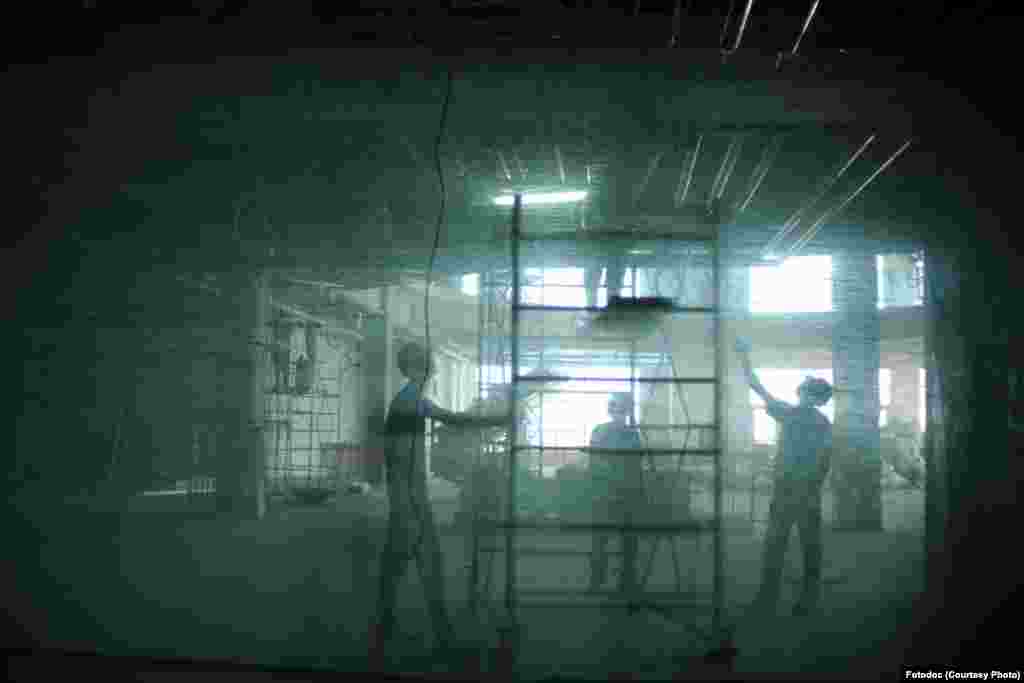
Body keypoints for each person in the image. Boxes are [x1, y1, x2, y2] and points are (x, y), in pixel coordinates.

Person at [369, 341, 509, 669]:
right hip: (410, 501)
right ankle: (437, 639)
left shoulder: (412, 400)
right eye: (428, 364)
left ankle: (389, 634)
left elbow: (453, 420)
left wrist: (493, 419)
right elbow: (399, 462)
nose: (433, 368)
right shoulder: (408, 402)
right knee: (425, 566)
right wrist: (405, 511)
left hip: (411, 499)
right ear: (418, 367)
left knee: (400, 569)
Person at [735, 337, 833, 617]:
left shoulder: (792, 415)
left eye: (804, 392)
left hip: (792, 489)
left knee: (779, 543)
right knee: (806, 544)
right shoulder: (819, 422)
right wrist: (813, 486)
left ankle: (771, 598)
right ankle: (804, 598)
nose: (801, 395)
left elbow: (756, 386)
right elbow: (825, 461)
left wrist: (744, 356)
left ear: (809, 396)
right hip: (803, 490)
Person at [587, 392, 644, 595]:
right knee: (623, 541)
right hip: (620, 492)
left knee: (603, 540)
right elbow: (634, 463)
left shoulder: (601, 431)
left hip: (608, 492)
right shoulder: (631, 434)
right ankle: (624, 581)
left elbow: (596, 460)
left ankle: (600, 581)